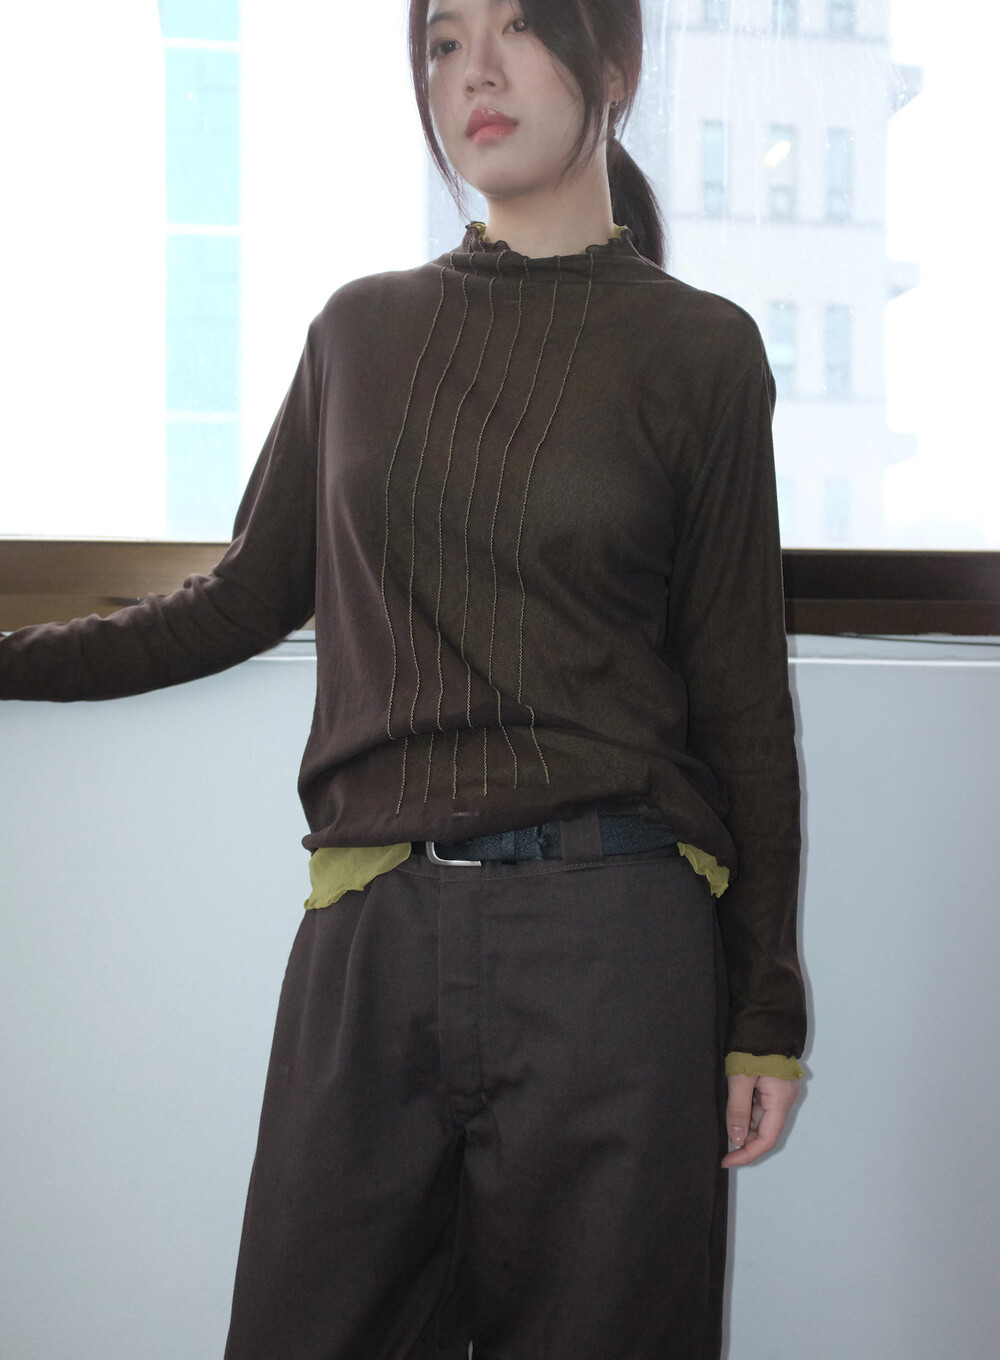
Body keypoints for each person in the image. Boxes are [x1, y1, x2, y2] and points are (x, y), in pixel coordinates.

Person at [0, 0, 807, 1355]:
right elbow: (236, 600)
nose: (473, 70)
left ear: (616, 63)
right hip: (373, 938)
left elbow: (741, 701)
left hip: (613, 946)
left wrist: (763, 1013)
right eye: (441, 41)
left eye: (518, 27)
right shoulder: (360, 333)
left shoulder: (701, 351)